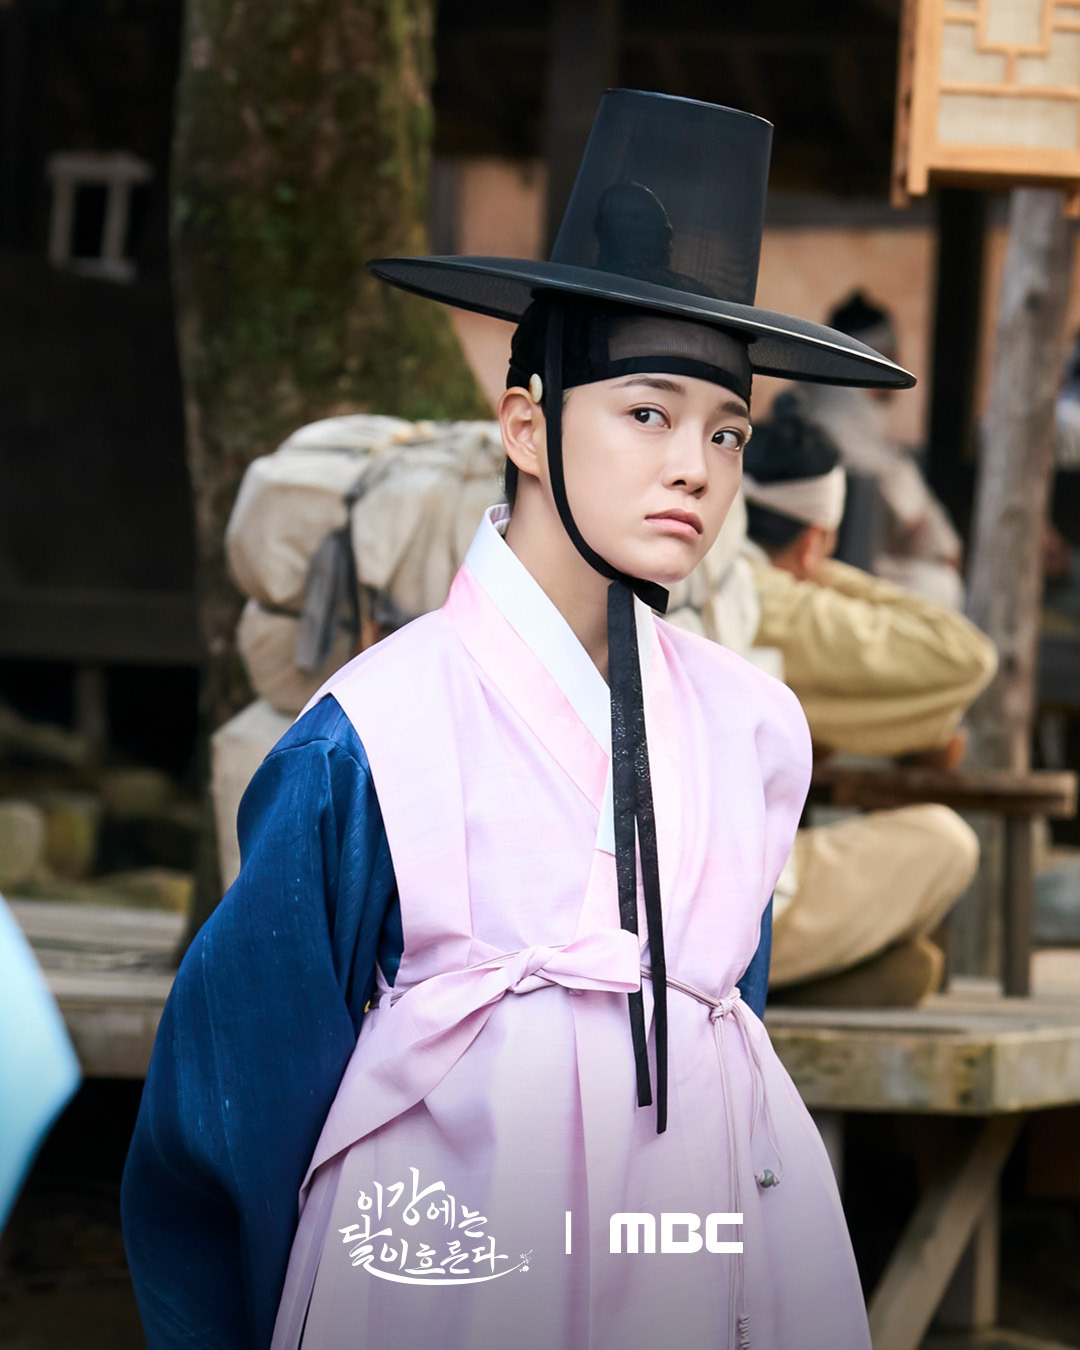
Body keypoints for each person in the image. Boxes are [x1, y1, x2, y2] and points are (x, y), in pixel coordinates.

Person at [122, 92, 914, 1350]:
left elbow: (730, 1011)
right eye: (647, 413)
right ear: (528, 427)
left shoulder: (752, 728)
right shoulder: (370, 736)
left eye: (725, 432)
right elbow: (237, 1104)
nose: (696, 466)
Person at [739, 407, 997, 1005]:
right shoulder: (779, 605)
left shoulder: (711, 580)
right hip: (737, 908)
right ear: (815, 538)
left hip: (673, 893)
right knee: (945, 840)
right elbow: (965, 655)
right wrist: (821, 570)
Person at [789, 292, 965, 608]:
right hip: (831, 565)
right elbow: (913, 516)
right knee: (942, 586)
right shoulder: (839, 419)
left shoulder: (815, 401)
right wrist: (944, 548)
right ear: (882, 356)